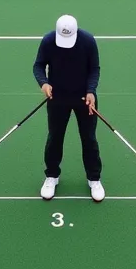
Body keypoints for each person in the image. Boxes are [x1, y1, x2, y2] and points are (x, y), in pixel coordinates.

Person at [33, 14, 103, 202]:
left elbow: (94, 68)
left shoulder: (87, 41)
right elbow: (38, 66)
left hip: (84, 98)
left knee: (89, 139)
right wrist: (44, 84)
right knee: (55, 137)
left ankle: (94, 179)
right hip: (57, 98)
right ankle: (52, 176)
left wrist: (91, 91)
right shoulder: (48, 41)